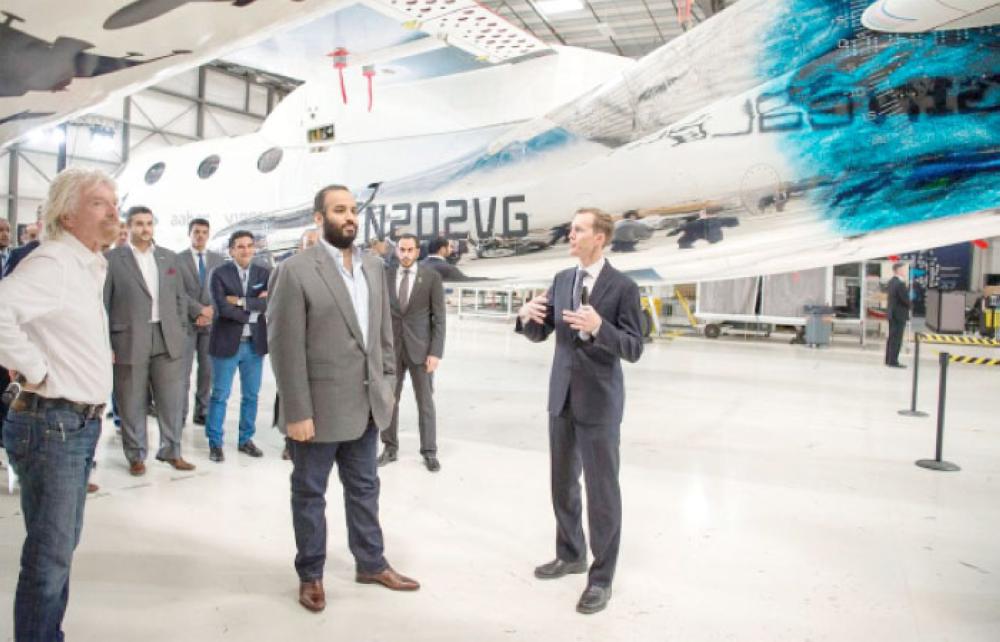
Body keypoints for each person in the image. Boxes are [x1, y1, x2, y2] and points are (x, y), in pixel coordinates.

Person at [268, 184, 419, 614]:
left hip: (366, 407)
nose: (350, 217)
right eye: (339, 210)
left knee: (365, 488)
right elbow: (284, 347)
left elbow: (383, 337)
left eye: (353, 210)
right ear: (319, 218)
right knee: (310, 494)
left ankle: (371, 563)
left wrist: (387, 386)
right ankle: (311, 574)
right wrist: (296, 410)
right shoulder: (295, 270)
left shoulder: (373, 266)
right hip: (315, 412)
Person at [0, 167, 120, 640]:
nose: (113, 209)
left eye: (114, 201)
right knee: (49, 558)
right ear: (67, 215)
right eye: (98, 202)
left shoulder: (89, 265)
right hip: (54, 423)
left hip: (74, 425)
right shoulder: (54, 262)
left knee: (60, 548)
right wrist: (34, 368)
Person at [516, 207, 644, 615]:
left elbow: (634, 347)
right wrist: (525, 318)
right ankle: (571, 553)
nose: (570, 235)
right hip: (562, 398)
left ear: (599, 238)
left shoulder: (623, 287)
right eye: (571, 229)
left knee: (603, 493)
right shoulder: (562, 279)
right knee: (562, 483)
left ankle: (601, 579)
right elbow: (542, 331)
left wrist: (598, 327)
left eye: (578, 230)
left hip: (600, 403)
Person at [104, 206, 194, 474]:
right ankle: (136, 456)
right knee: (131, 401)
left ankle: (171, 451)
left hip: (167, 337)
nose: (145, 229)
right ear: (128, 227)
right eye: (139, 224)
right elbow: (103, 304)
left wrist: (180, 328)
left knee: (172, 400)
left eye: (149, 223)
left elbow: (180, 298)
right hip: (128, 338)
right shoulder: (112, 259)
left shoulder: (168, 258)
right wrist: (107, 343)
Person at [378, 233, 446, 472]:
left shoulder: (431, 277)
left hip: (422, 350)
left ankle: (429, 451)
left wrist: (436, 352)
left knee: (425, 402)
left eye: (410, 250)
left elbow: (439, 318)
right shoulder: (384, 277)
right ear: (396, 251)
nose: (406, 254)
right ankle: (389, 447)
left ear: (418, 252)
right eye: (402, 250)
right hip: (391, 350)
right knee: (389, 401)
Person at [205, 230, 270, 462]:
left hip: (254, 345)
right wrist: (253, 309)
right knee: (220, 395)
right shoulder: (219, 274)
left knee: (251, 395)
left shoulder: (264, 272)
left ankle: (245, 440)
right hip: (226, 344)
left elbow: (268, 303)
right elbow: (222, 308)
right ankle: (215, 443)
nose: (245, 250)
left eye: (249, 246)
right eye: (240, 246)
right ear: (231, 250)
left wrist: (242, 302)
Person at [270, 227, 319, 460]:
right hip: (294, 348)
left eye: (318, 243)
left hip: (319, 351)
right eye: (309, 243)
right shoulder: (287, 272)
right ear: (301, 247)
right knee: (289, 393)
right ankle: (289, 441)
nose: (314, 248)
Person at [177, 218, 224, 426]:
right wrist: (198, 310)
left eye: (204, 232)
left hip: (211, 325)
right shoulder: (177, 260)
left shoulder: (219, 260)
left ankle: (202, 411)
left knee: (207, 371)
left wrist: (212, 310)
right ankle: (180, 412)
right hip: (186, 323)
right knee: (182, 373)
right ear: (190, 234)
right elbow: (176, 291)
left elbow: (223, 290)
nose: (200, 235)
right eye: (196, 231)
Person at [886, 261, 910, 368]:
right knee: (897, 338)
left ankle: (888, 359)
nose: (905, 272)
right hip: (899, 314)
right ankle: (893, 361)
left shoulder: (891, 281)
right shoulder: (900, 284)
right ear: (898, 270)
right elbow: (905, 299)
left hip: (892, 313)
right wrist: (911, 305)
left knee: (891, 337)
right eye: (904, 269)